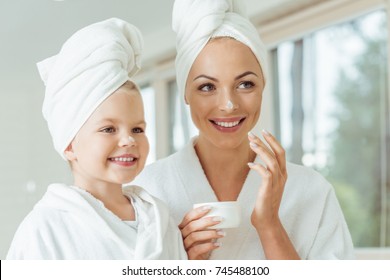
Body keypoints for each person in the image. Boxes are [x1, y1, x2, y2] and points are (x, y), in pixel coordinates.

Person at [132, 0, 355, 260]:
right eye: (207, 87)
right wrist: (174, 261)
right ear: (186, 94)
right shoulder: (148, 192)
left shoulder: (312, 192)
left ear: (263, 87)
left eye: (245, 84)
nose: (228, 104)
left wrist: (269, 225)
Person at [6, 18, 186, 260]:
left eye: (137, 129)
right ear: (69, 145)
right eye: (109, 129)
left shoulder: (160, 218)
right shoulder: (45, 228)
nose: (129, 140)